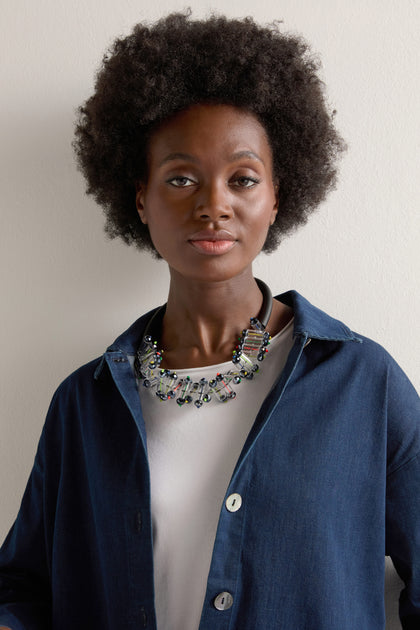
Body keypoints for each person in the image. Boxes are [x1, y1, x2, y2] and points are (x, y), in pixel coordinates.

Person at [0, 11, 418, 630]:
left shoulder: (363, 383)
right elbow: (20, 591)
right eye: (181, 178)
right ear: (140, 197)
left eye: (242, 179)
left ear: (277, 195)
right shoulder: (83, 407)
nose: (213, 204)